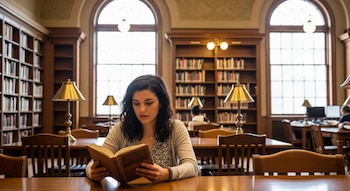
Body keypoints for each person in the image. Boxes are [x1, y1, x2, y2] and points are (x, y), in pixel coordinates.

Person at [86, 74, 199, 183]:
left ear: (161, 103)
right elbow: (91, 165)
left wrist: (167, 173)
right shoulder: (120, 129)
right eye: (136, 103)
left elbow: (192, 166)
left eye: (149, 103)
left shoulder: (175, 128)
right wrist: (93, 173)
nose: (142, 109)